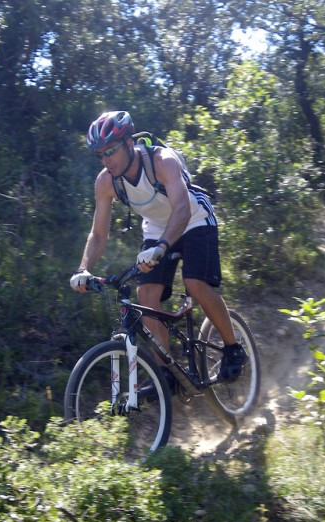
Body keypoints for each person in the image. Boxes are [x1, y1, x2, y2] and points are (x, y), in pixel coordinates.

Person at [69, 110, 247, 388]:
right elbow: (99, 234)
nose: (106, 160)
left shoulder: (162, 161)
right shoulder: (106, 182)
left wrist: (163, 247)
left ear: (129, 143)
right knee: (146, 295)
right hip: (156, 227)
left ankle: (233, 347)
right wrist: (83, 269)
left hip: (194, 218)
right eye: (100, 155)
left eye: (110, 151)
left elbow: (181, 209)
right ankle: (167, 375)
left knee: (195, 283)